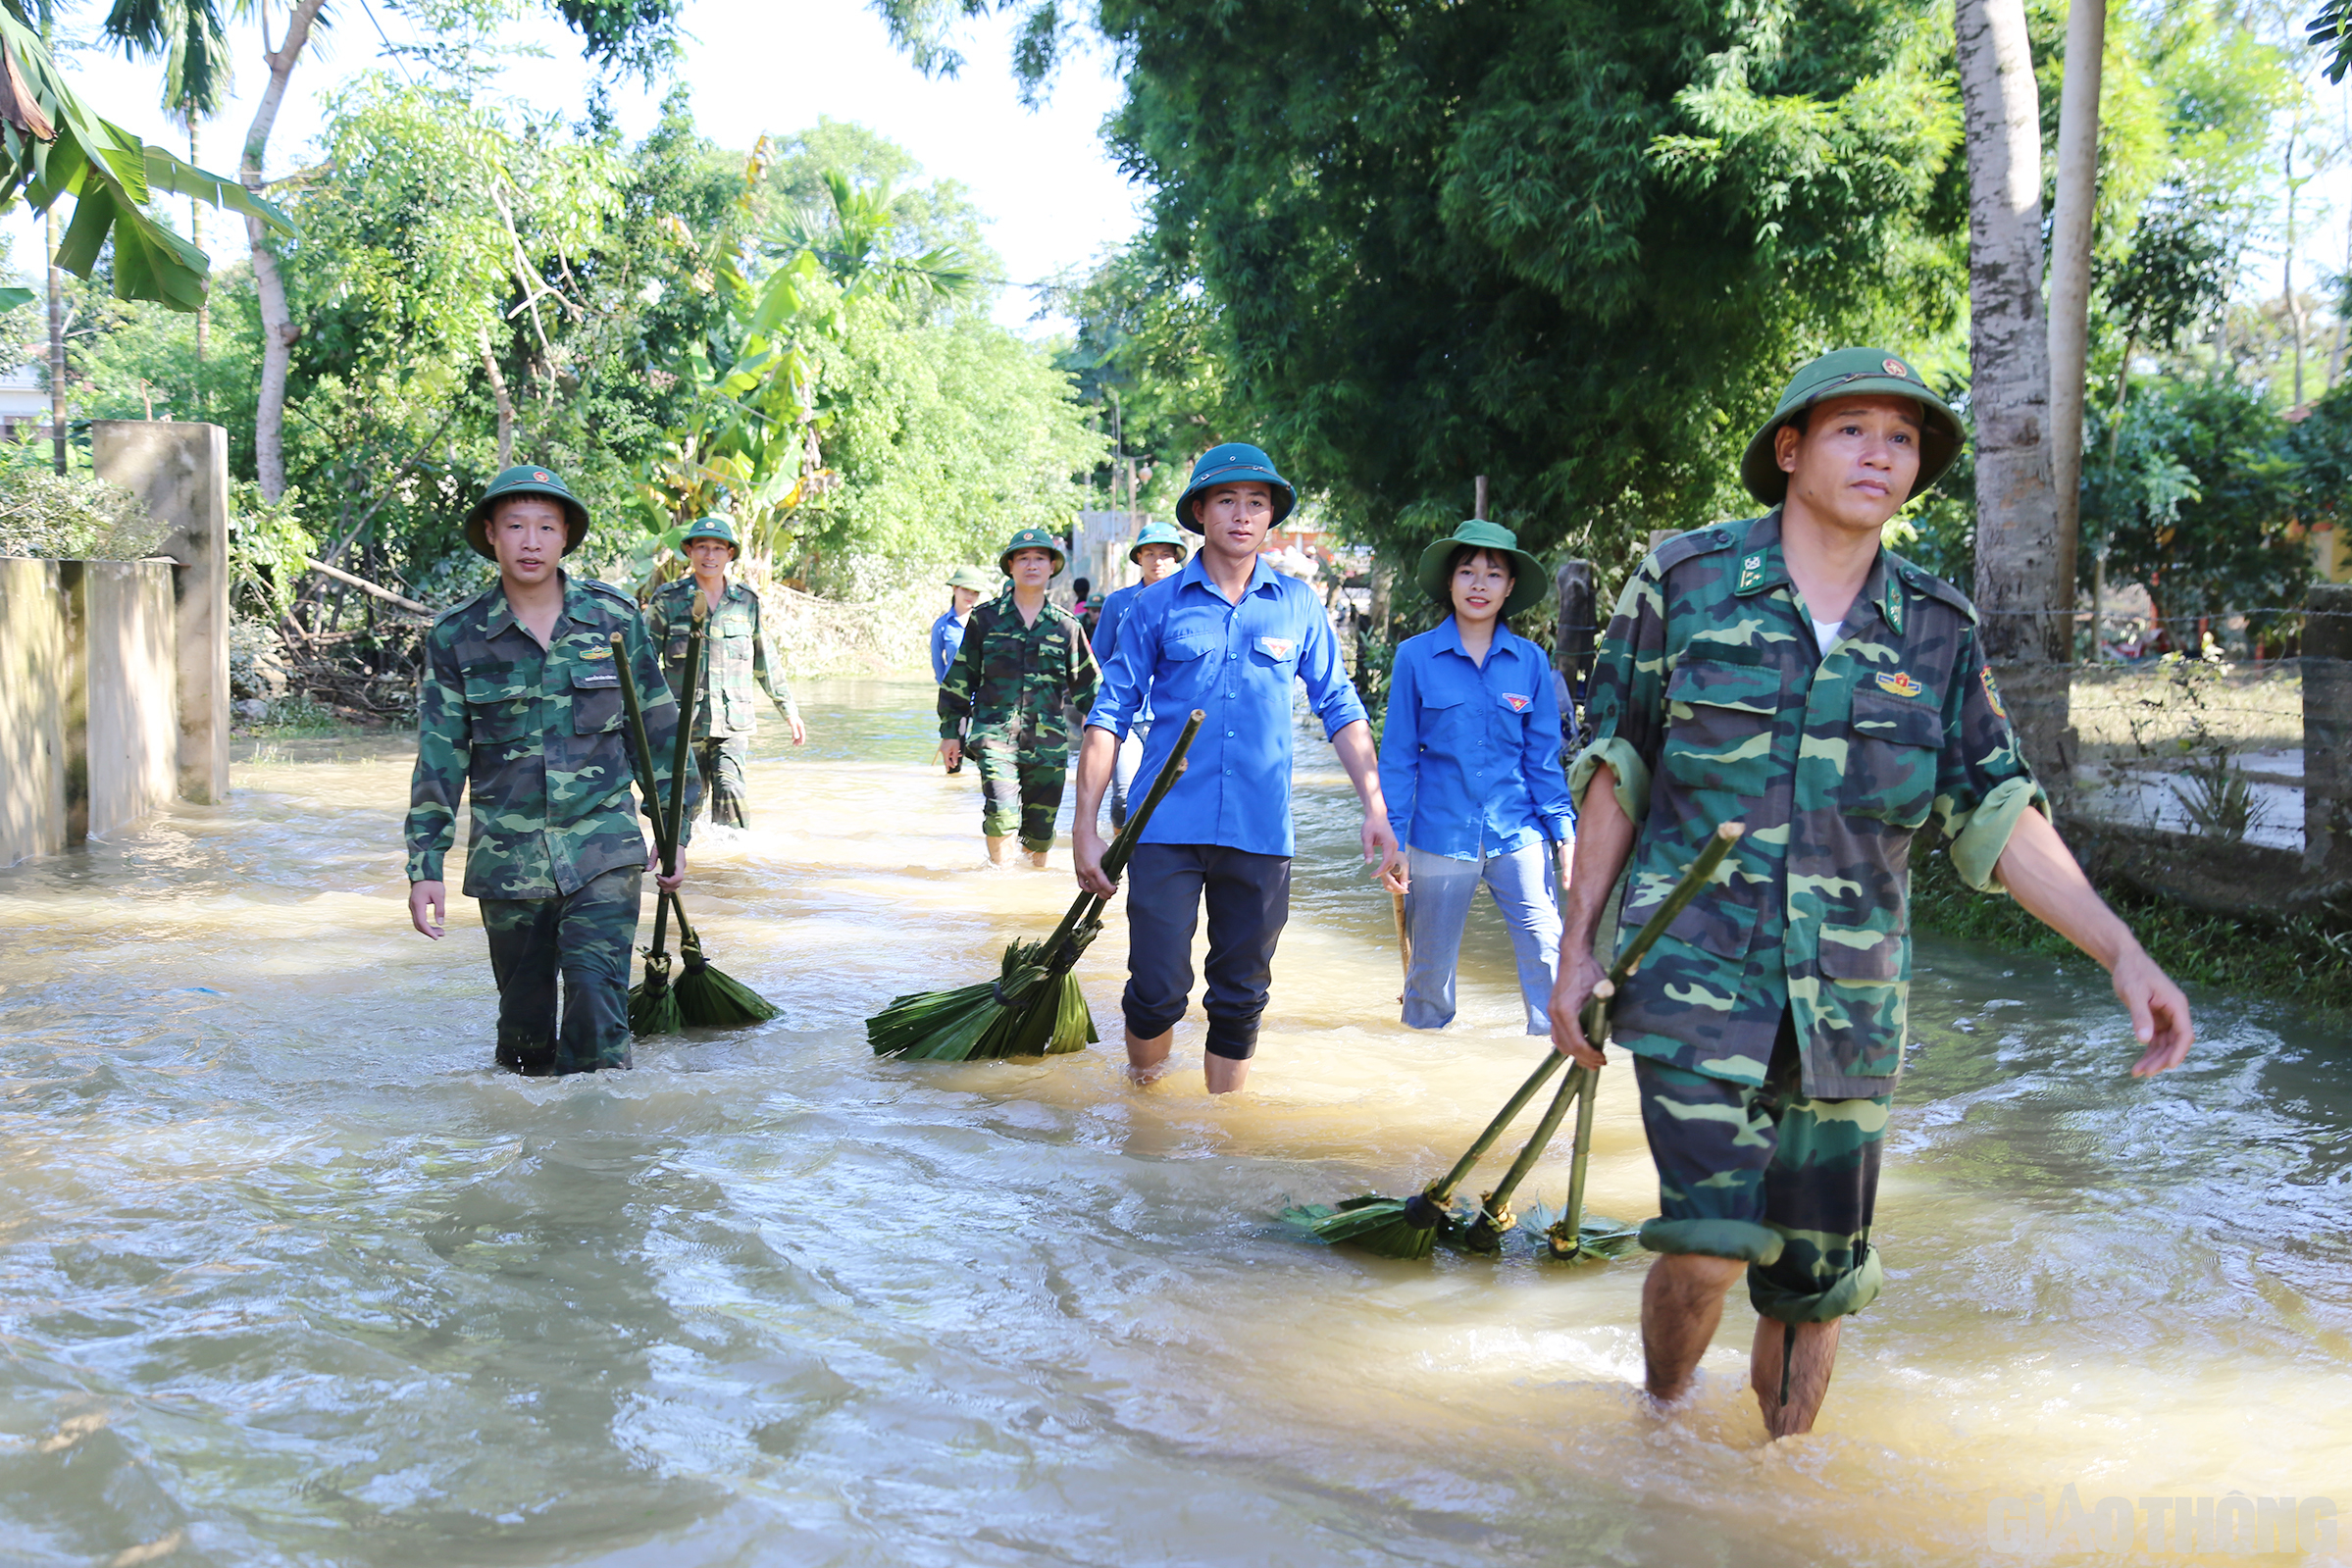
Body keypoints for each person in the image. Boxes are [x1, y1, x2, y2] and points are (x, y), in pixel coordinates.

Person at [1547, 348, 2195, 1438]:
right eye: (1852, 430)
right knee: (1704, 1244)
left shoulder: (1937, 630)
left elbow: (1998, 810)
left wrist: (2119, 950)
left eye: (1901, 439)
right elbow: (1619, 764)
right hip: (1695, 978)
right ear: (1790, 449)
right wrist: (1576, 948)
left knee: (1813, 1290)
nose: (1880, 455)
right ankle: (1658, 1425)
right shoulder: (1687, 582)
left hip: (1849, 1004)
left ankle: (1780, 1490)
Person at [1074, 443, 1398, 1093]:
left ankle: (1222, 1141)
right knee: (1157, 988)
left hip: (1260, 831)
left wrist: (1376, 806)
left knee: (1242, 993)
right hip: (1164, 828)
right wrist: (1086, 827)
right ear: (1200, 510)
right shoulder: (1155, 606)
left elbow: (1339, 705)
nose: (1243, 515)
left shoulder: (1298, 606)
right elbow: (1108, 714)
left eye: (1257, 502)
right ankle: (1145, 1108)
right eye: (1227, 500)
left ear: (1272, 515)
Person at [405, 464, 695, 1076]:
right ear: (490, 534)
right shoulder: (457, 637)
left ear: (566, 537)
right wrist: (424, 864)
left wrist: (675, 832)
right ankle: (534, 1151)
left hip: (603, 848)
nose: (530, 541)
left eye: (545, 526)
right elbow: (440, 755)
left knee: (597, 1005)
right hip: (508, 864)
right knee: (524, 1037)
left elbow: (659, 732)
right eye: (515, 526)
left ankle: (603, 1157)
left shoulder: (613, 622)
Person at [1377, 519, 1574, 1034]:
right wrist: (1394, 840)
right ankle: (1422, 1074)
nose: (1479, 584)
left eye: (1493, 573)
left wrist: (1565, 835)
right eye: (1467, 572)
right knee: (1429, 977)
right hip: (1440, 835)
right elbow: (1399, 758)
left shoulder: (1531, 661)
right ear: (1450, 582)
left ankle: (1547, 1059)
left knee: (1546, 951)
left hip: (1519, 831)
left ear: (1510, 587)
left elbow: (1543, 760)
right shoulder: (1415, 657)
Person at [938, 528, 1099, 866]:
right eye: (1023, 558)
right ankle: (1001, 885)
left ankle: (1025, 901)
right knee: (1001, 813)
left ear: (1052, 566)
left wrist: (1104, 737)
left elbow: (1090, 689)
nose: (1031, 565)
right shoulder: (985, 620)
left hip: (1048, 744)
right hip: (995, 738)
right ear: (1010, 566)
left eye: (1039, 558)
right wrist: (951, 732)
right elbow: (960, 677)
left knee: (1039, 833)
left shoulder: (1066, 627)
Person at [645, 516, 804, 832]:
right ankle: (686, 867)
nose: (710, 555)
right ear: (689, 551)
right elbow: (644, 662)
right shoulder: (668, 601)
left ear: (729, 554)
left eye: (718, 548)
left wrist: (788, 710)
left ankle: (732, 870)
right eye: (702, 547)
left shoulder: (745, 601)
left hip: (733, 722)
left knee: (730, 791)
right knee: (684, 802)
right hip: (683, 723)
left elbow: (764, 658)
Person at [1089, 520, 1190, 827]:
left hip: (1173, 715)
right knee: (1123, 794)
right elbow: (1101, 655)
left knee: (1175, 792)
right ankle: (1119, 860)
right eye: (1150, 554)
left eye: (1165, 554)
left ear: (1176, 558)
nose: (1158, 561)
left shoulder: (1190, 603)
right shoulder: (1118, 603)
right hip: (1129, 716)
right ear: (1138, 558)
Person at [932, 564, 998, 775]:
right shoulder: (942, 626)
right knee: (953, 758)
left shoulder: (986, 624)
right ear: (954, 590)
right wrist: (950, 693)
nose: (970, 596)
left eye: (975, 592)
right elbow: (938, 665)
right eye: (965, 590)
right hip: (958, 699)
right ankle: (952, 796)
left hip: (983, 697)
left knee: (988, 755)